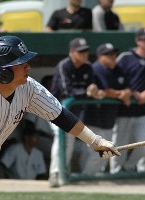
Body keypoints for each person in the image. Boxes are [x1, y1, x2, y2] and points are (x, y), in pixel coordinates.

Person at [0, 35, 120, 199]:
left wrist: (95, 141)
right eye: (20, 63)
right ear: (2, 71)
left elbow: (60, 116)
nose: (27, 66)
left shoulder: (28, 88)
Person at [48, 37, 102, 187]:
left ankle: (63, 172)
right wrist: (87, 91)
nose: (84, 54)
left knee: (69, 142)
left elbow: (92, 87)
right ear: (72, 52)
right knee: (61, 140)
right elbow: (67, 91)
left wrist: (93, 90)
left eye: (86, 51)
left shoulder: (88, 67)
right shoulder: (64, 65)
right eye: (81, 51)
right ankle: (55, 173)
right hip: (54, 110)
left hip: (73, 113)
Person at [110, 28, 145, 174]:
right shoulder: (126, 57)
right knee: (119, 145)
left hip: (143, 109)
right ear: (137, 40)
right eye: (144, 39)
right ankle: (116, 172)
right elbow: (115, 80)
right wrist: (129, 92)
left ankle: (129, 166)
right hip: (124, 109)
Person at [82, 43, 131, 175]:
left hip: (108, 119)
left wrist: (126, 92)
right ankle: (85, 179)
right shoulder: (95, 69)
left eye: (114, 54)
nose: (113, 57)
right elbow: (100, 91)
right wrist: (118, 94)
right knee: (93, 155)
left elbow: (127, 86)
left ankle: (95, 179)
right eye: (108, 54)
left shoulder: (117, 69)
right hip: (93, 120)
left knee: (104, 154)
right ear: (99, 57)